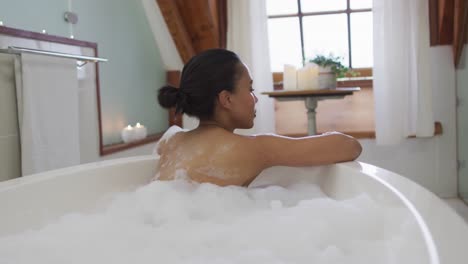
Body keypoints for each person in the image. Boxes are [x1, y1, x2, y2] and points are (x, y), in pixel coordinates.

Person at [156, 49, 362, 187]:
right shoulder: (253, 149)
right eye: (250, 89)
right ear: (226, 99)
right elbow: (349, 146)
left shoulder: (172, 141)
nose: (255, 98)